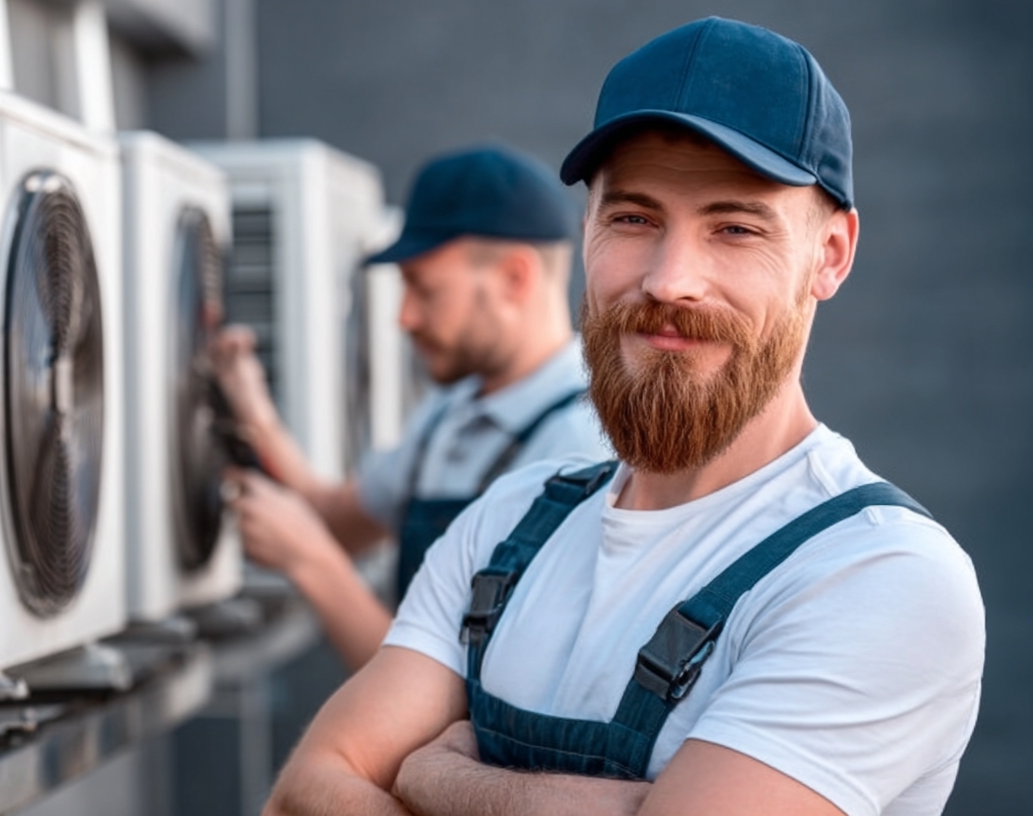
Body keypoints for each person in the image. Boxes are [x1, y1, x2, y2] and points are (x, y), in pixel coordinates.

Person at [265, 17, 984, 816]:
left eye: (735, 228)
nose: (671, 279)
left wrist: (437, 777)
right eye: (635, 219)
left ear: (831, 255)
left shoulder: (878, 577)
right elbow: (304, 793)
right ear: (586, 231)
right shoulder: (505, 524)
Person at [214, 144, 610, 670]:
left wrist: (311, 562)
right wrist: (254, 411)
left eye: (425, 290)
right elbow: (336, 520)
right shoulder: (450, 412)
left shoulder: (582, 447)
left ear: (515, 278)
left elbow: (457, 695)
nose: (403, 317)